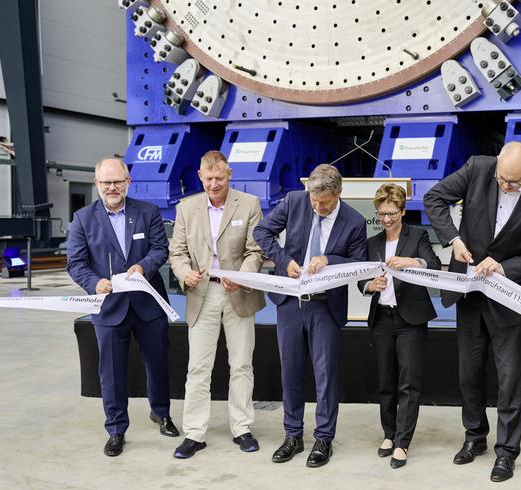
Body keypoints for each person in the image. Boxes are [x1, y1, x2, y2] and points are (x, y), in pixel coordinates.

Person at [423, 142, 521, 482]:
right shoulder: (478, 166)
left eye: (512, 182)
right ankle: (475, 437)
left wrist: (504, 265)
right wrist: (452, 238)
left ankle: (507, 451)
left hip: (508, 297)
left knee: (510, 377)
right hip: (468, 292)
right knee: (469, 371)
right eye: (501, 178)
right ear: (496, 163)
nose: (504, 186)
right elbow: (434, 198)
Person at [254, 164, 367, 468]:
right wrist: (284, 259)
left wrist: (329, 260)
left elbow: (358, 262)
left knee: (325, 375)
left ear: (338, 194)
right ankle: (292, 435)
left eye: (325, 203)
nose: (317, 207)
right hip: (290, 301)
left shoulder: (354, 222)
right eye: (314, 201)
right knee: (290, 371)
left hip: (325, 307)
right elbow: (261, 231)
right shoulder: (294, 201)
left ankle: (323, 438)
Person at [67, 157, 178, 457]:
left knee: (157, 363)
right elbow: (75, 264)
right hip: (109, 307)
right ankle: (116, 429)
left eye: (118, 181)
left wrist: (143, 267)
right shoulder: (82, 219)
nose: (112, 187)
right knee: (111, 372)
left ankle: (161, 413)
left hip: (148, 305)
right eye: (106, 182)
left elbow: (160, 249)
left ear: (128, 182)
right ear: (97, 184)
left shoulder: (148, 212)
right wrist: (94, 283)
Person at [168, 150, 266, 459]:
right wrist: (186, 275)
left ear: (230, 174)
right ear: (200, 176)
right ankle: (194, 433)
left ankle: (242, 428)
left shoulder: (249, 204)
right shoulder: (186, 208)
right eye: (208, 179)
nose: (214, 184)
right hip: (201, 294)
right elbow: (177, 252)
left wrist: (242, 276)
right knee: (198, 367)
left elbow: (256, 251)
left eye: (219, 178)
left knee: (241, 365)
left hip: (238, 293)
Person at [358, 184, 441, 469]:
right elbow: (360, 278)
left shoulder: (417, 235)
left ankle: (403, 442)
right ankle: (389, 434)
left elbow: (432, 264)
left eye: (392, 213)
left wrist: (411, 261)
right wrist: (370, 285)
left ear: (403, 211)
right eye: (382, 214)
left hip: (411, 320)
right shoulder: (372, 243)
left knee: (408, 382)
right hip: (381, 317)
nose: (387, 219)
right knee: (385, 381)